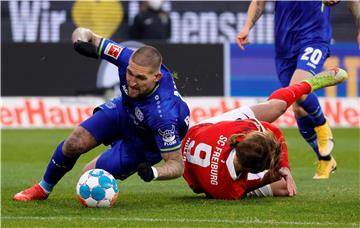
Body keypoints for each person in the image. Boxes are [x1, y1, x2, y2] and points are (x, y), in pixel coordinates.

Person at [13, 27, 190, 201]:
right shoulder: (124, 56)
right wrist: (79, 42)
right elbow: (85, 33)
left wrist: (154, 172)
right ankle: (43, 188)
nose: (132, 83)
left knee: (88, 176)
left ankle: (117, 152)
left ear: (156, 78)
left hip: (145, 142)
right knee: (74, 143)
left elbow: (176, 165)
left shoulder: (164, 115)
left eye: (140, 78)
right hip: (125, 110)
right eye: (130, 73)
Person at [182, 68, 348, 200]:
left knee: (276, 108)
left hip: (200, 132)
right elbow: (266, 174)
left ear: (240, 140)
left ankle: (307, 85)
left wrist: (283, 167)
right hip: (199, 162)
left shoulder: (237, 130)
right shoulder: (231, 190)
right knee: (285, 187)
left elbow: (271, 129)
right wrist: (280, 171)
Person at [236, 1, 343, 179]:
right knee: (298, 107)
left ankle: (322, 125)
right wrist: (246, 27)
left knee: (298, 89)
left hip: (314, 38)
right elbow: (259, 2)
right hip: (285, 47)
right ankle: (324, 158)